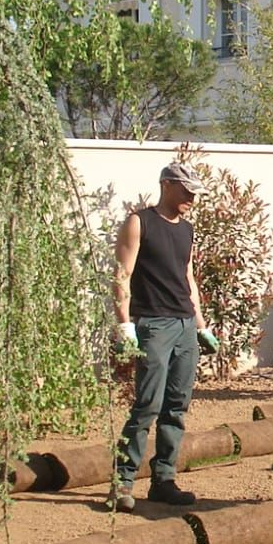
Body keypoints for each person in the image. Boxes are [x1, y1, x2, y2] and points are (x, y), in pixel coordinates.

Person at [110, 161, 219, 512]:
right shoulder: (140, 222)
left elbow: (188, 279)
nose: (192, 198)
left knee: (176, 407)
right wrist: (124, 324)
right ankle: (121, 482)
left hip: (185, 326)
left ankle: (164, 479)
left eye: (195, 193)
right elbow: (121, 275)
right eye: (186, 191)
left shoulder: (186, 230)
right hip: (153, 325)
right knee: (146, 405)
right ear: (167, 185)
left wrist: (201, 326)